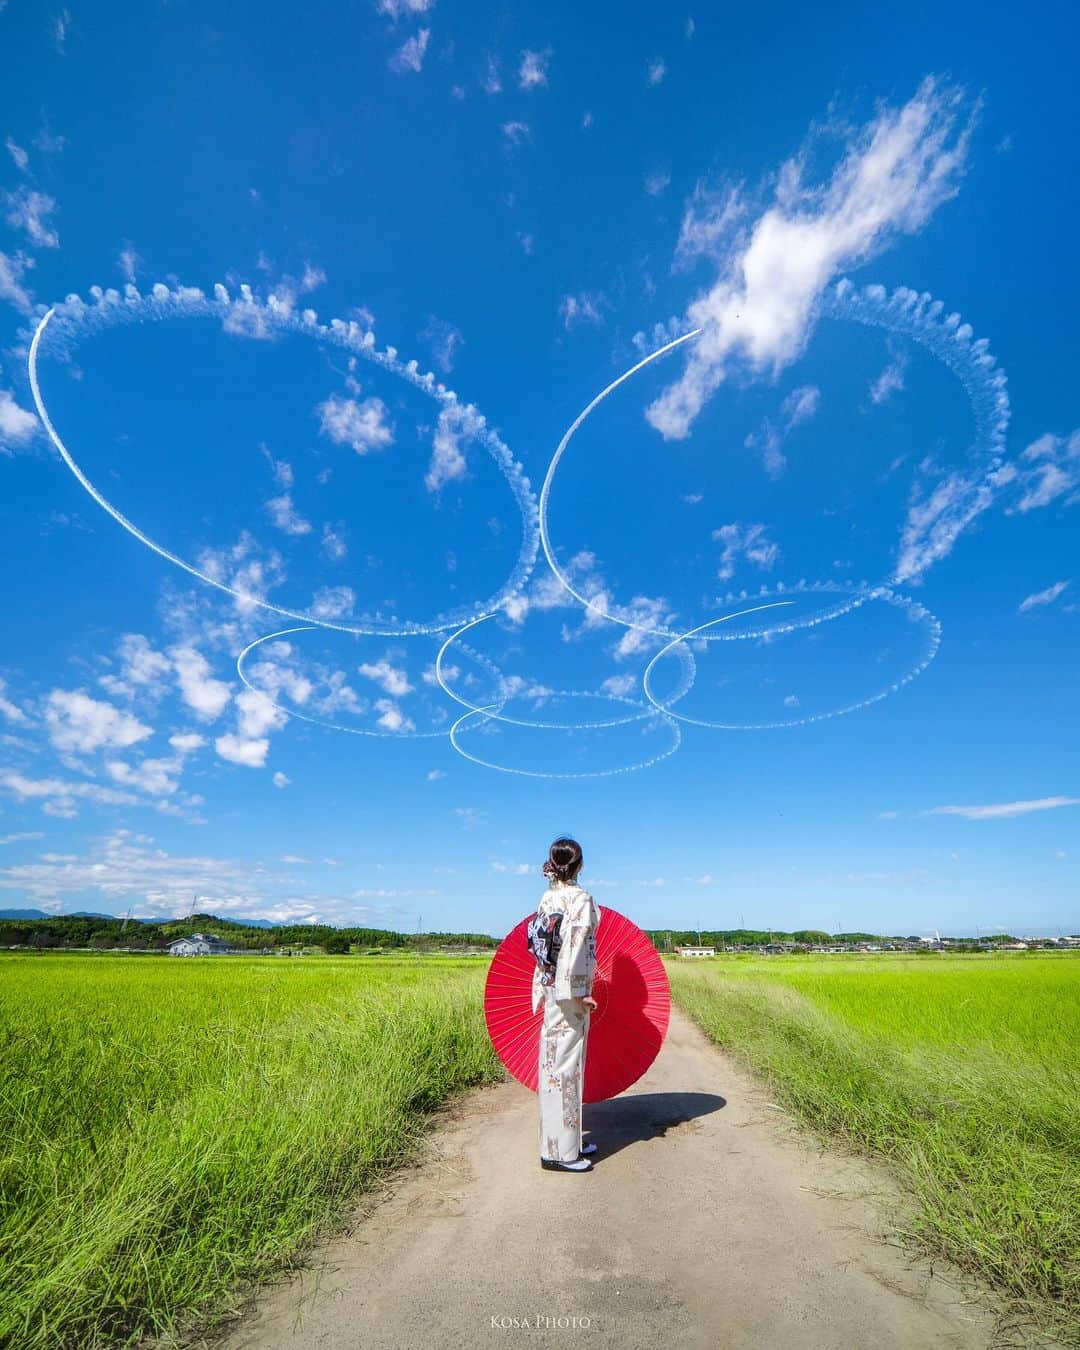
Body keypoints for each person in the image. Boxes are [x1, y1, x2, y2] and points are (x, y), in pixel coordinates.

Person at [533, 837, 600, 1173]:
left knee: (554, 1068)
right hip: (568, 995)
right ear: (580, 865)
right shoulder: (579, 899)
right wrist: (577, 992)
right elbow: (573, 948)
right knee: (566, 1069)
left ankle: (563, 1142)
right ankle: (561, 1154)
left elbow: (544, 947)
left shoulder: (548, 897)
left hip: (550, 988)